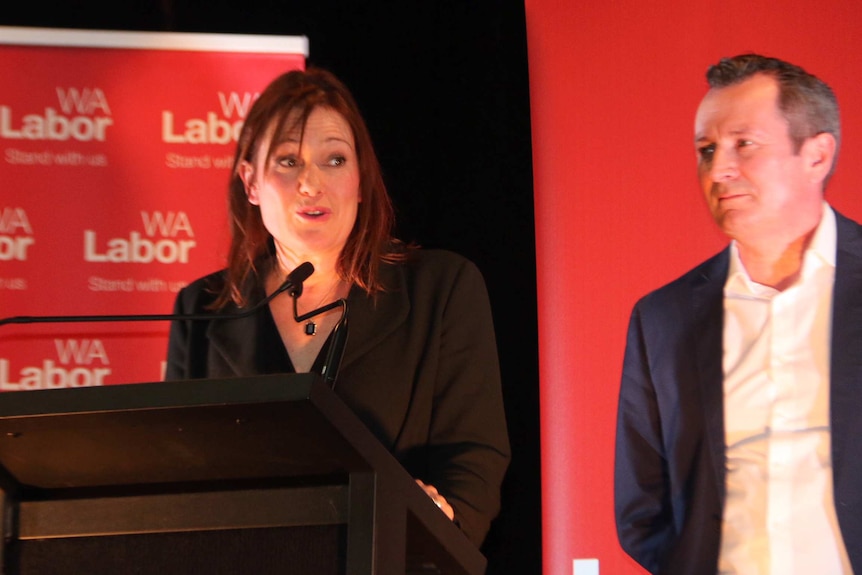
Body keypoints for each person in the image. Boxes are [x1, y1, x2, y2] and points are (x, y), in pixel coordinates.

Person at [165, 67, 510, 547]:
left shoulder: (441, 287)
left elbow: (474, 456)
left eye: (334, 160)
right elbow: (178, 477)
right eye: (288, 161)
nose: (311, 183)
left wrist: (440, 520)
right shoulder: (201, 309)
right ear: (250, 182)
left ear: (361, 180)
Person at [614, 54, 862, 574]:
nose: (719, 169)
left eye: (744, 144)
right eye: (707, 150)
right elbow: (643, 509)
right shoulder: (664, 318)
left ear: (817, 156)